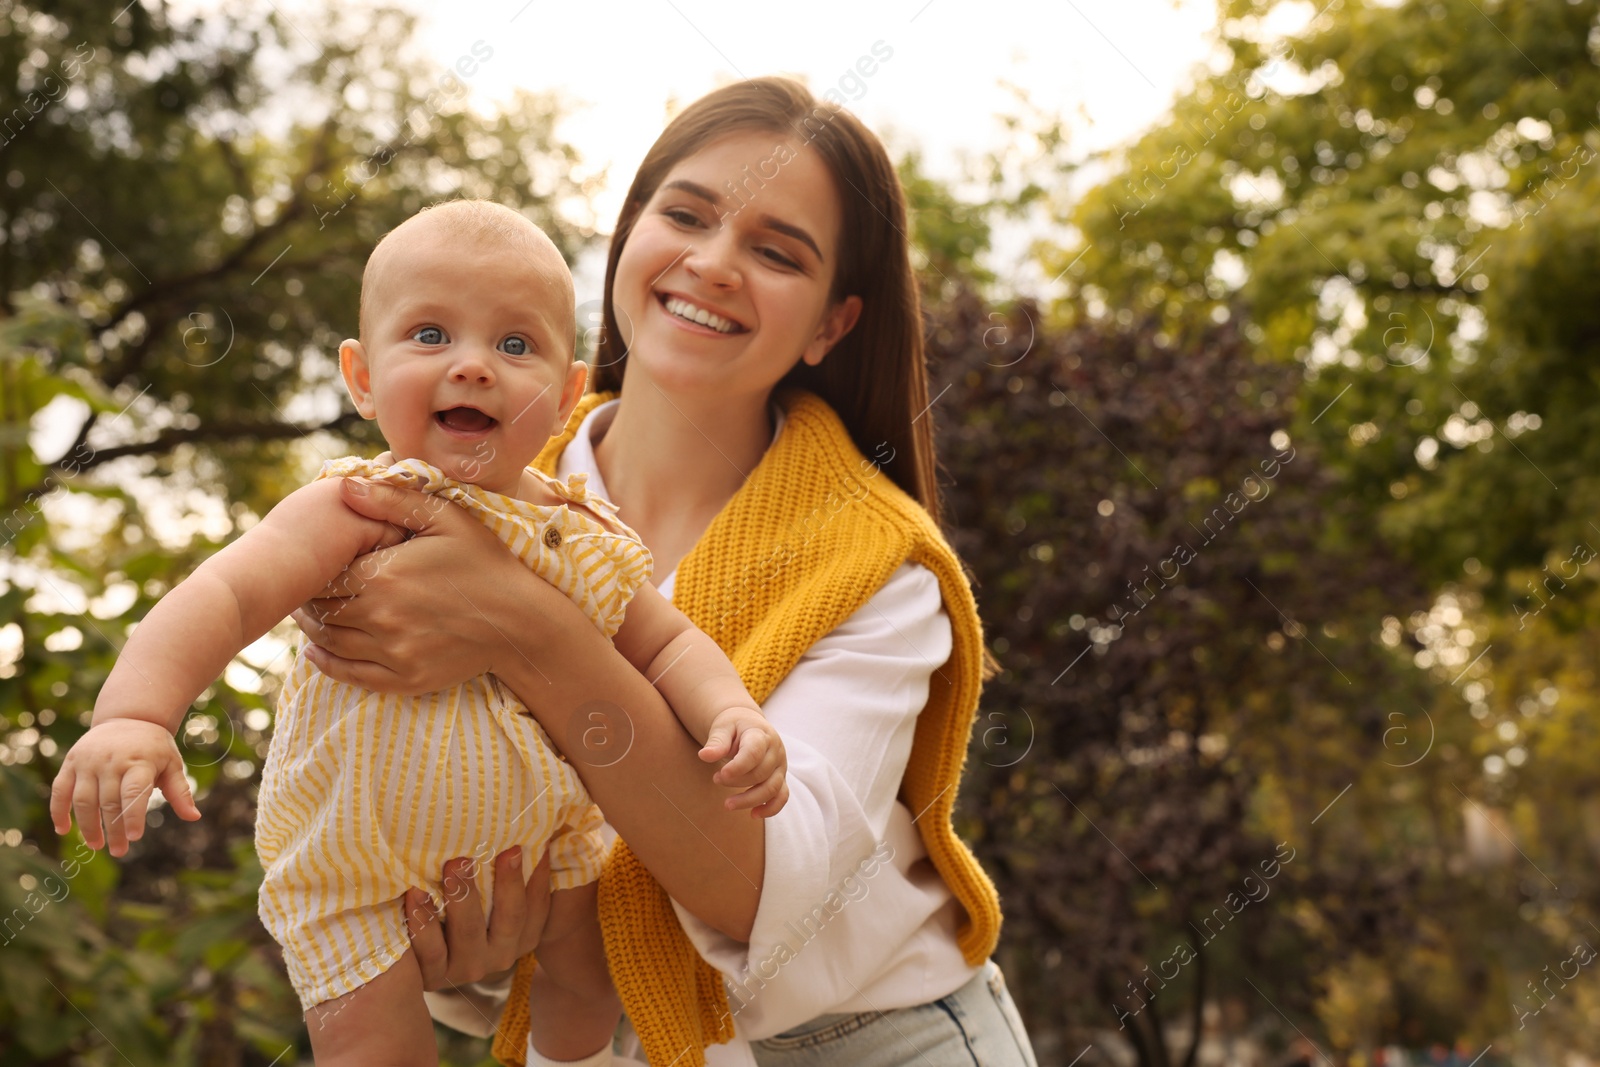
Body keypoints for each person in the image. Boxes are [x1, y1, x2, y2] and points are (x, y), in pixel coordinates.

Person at [295, 77, 1039, 1066]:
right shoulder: (447, 481)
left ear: (830, 323)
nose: (713, 262)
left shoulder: (880, 562)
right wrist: (458, 943)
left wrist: (531, 628)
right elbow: (382, 768)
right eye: (684, 215)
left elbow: (761, 878)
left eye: (776, 252)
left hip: (868, 1041)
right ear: (625, 241)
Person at [48, 200, 786, 1067]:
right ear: (360, 378)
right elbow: (227, 593)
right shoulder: (356, 506)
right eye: (431, 335)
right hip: (357, 873)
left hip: (542, 856)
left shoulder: (578, 534)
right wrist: (134, 715)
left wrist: (731, 711)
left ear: (565, 396)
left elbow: (666, 646)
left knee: (592, 980)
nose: (474, 367)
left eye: (515, 346)